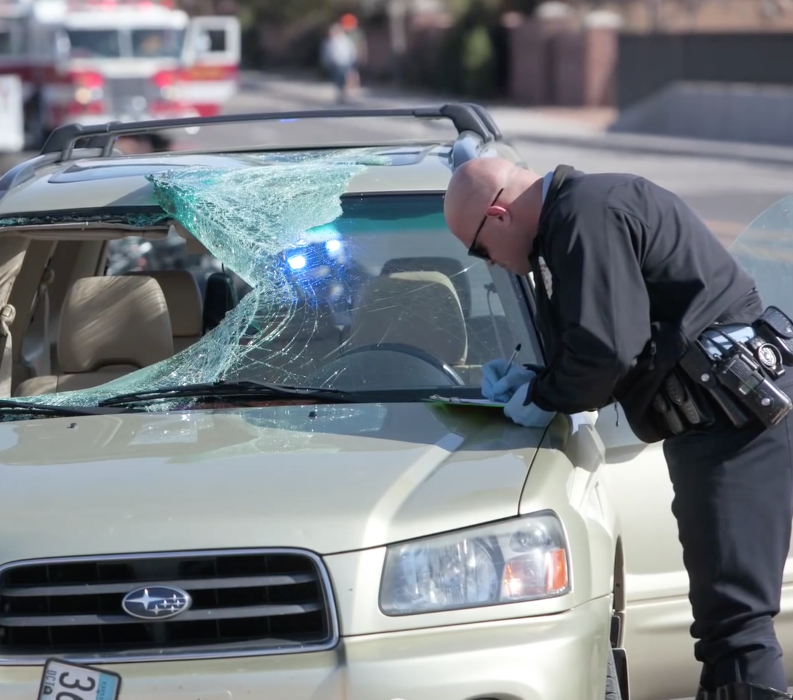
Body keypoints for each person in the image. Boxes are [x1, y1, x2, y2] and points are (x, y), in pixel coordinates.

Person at [443, 157, 793, 700]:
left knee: (737, 627)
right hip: (714, 426)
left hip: (732, 428)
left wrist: (543, 395)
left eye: (480, 250)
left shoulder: (586, 214)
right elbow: (606, 334)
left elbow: (606, 350)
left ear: (499, 214)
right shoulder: (576, 217)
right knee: (723, 628)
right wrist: (540, 378)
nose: (492, 265)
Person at [320, 23, 357, 104]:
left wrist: (352, 61)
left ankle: (346, 94)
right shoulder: (330, 42)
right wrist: (326, 62)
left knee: (346, 79)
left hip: (346, 62)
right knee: (338, 80)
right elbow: (327, 53)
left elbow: (351, 50)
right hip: (335, 64)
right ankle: (340, 94)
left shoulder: (345, 40)